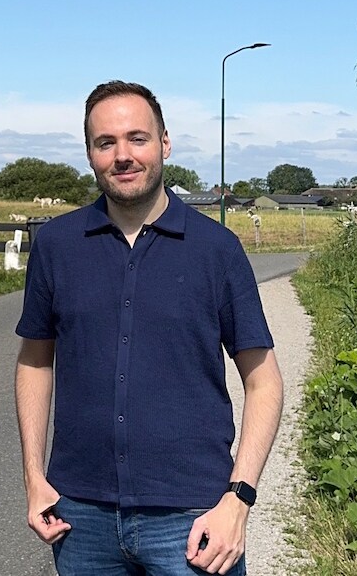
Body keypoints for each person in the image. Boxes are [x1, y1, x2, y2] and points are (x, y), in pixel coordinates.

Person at [15, 80, 284, 575]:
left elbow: (263, 380)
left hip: (194, 517)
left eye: (137, 138)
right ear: (90, 154)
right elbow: (35, 361)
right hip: (81, 516)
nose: (123, 155)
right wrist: (34, 475)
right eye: (106, 143)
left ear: (164, 143)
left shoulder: (217, 250)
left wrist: (239, 499)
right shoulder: (57, 246)